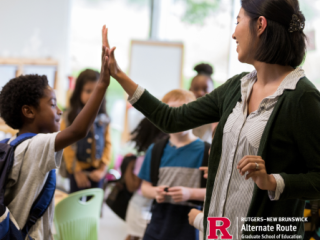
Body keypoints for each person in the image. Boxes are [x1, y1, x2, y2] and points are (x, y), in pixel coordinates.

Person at [103, 0, 317, 238]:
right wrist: (119, 75)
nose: (234, 33)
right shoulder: (237, 87)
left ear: (260, 25)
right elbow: (172, 119)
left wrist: (272, 181)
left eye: (238, 22)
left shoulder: (302, 97)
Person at [0, 26, 110, 240]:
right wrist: (103, 83)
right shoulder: (36, 145)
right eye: (52, 104)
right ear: (28, 111)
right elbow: (78, 130)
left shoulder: (15, 143)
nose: (59, 110)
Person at [137, 89, 207, 240]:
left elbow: (217, 193)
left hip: (192, 227)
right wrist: (156, 192)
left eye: (182, 111)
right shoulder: (155, 150)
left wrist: (190, 193)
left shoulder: (208, 151)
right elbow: (145, 187)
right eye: (171, 112)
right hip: (157, 226)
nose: (176, 118)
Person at [61, 69, 112, 193]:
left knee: (94, 207)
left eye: (96, 91)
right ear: (79, 91)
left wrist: (103, 169)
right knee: (75, 205)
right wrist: (77, 171)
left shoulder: (104, 117)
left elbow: (108, 144)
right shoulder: (69, 116)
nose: (92, 96)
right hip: (77, 171)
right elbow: (66, 146)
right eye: (88, 91)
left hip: (97, 172)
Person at [124, 118, 167, 240]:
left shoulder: (143, 157)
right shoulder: (149, 158)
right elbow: (133, 186)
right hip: (141, 205)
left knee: (134, 235)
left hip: (143, 205)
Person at [190, 63, 217, 143]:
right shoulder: (184, 112)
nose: (200, 93)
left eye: (205, 89)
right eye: (196, 89)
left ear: (214, 91)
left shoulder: (217, 115)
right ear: (189, 90)